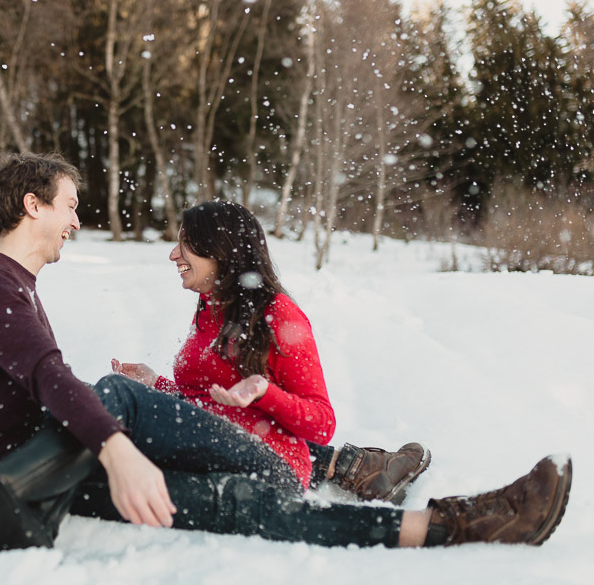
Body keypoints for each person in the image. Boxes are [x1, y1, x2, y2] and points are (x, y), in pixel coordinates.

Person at [0, 152, 572, 575]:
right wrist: (141, 416)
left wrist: (137, 427)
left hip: (268, 452)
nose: (76, 220)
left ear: (222, 256)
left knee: (112, 396)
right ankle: (450, 524)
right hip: (152, 462)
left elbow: (54, 380)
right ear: (33, 205)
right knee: (237, 506)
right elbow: (50, 378)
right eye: (68, 206)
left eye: (188, 248)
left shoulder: (278, 318)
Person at [112, 200, 428, 502]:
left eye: (186, 244)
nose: (172, 254)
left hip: (267, 466)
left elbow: (322, 423)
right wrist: (156, 384)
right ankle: (357, 468)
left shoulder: (278, 315)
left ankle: (358, 469)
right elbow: (208, 400)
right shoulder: (210, 307)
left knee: (122, 418)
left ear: (220, 249)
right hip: (213, 445)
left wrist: (265, 393)